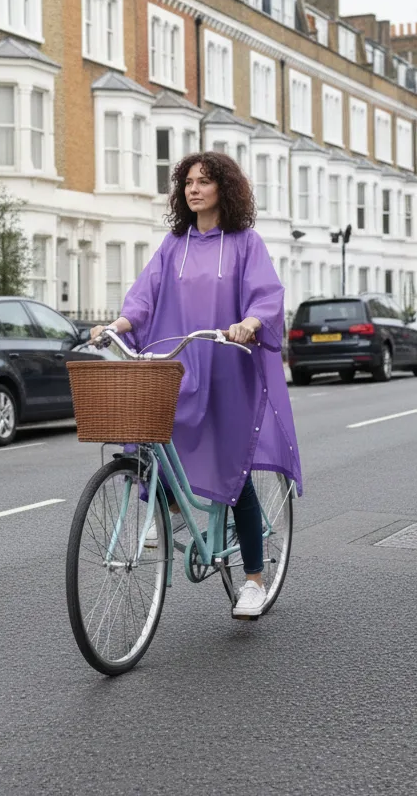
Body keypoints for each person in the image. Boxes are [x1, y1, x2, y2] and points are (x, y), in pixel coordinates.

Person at [90, 151, 302, 618]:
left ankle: (252, 579)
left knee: (235, 472)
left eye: (204, 181)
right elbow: (145, 294)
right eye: (188, 182)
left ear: (223, 188)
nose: (193, 189)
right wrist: (120, 324)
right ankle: (170, 504)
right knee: (166, 434)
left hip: (228, 367)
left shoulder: (245, 243)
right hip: (181, 363)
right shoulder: (175, 244)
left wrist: (250, 321)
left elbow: (267, 295)